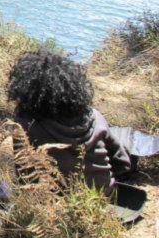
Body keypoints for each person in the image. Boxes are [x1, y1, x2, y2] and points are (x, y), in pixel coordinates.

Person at [7, 50, 131, 195]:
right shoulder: (95, 118)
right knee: (124, 136)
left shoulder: (24, 124)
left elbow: (23, 172)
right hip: (100, 198)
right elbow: (123, 164)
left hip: (47, 201)